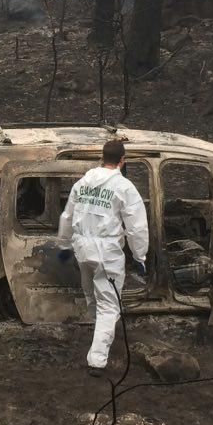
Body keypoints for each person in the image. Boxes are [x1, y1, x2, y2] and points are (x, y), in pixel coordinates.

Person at [57, 139, 150, 376]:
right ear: (122, 160)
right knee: (110, 305)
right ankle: (97, 361)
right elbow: (136, 227)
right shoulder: (124, 187)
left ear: (102, 157)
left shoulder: (83, 182)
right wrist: (140, 256)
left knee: (92, 295)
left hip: (82, 249)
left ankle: (100, 334)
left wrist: (64, 245)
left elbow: (67, 215)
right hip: (106, 253)